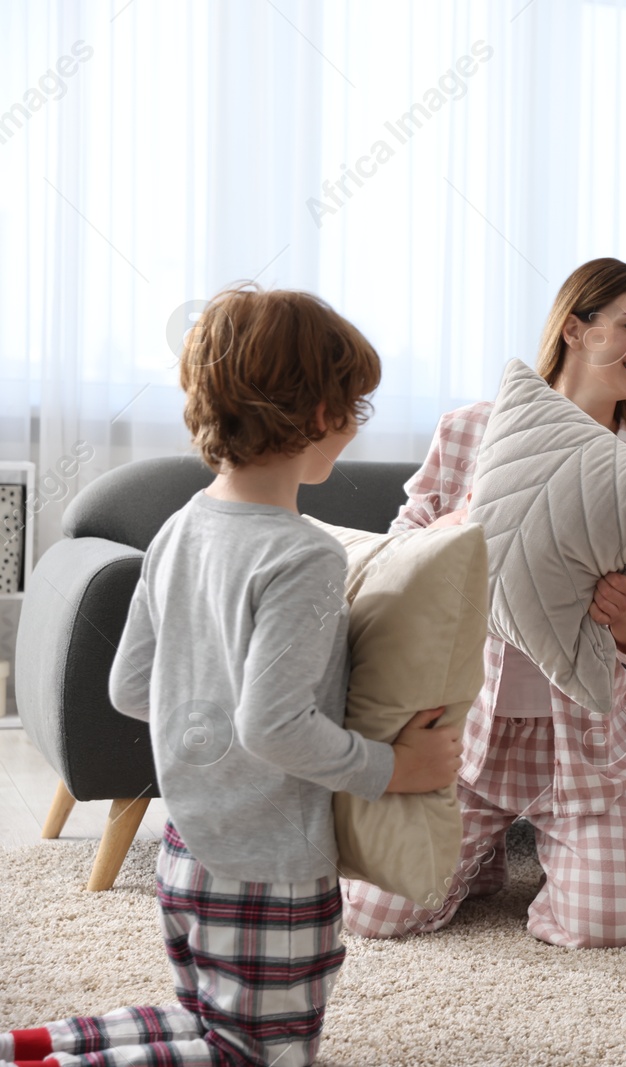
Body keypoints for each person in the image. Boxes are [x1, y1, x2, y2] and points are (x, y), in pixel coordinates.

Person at [1, 285, 462, 1067]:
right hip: (270, 870)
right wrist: (392, 768)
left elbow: (129, 687)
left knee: (201, 1020)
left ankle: (30, 1044)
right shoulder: (304, 553)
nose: (353, 428)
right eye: (356, 408)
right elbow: (273, 726)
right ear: (319, 414)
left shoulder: (181, 526)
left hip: (186, 848)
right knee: (252, 1053)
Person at [340, 258, 626, 948]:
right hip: (463, 734)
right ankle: (479, 852)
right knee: (371, 915)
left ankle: (573, 852)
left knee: (606, 924)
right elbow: (398, 550)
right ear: (575, 329)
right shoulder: (472, 430)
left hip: (582, 748)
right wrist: (462, 522)